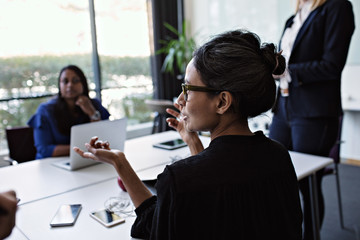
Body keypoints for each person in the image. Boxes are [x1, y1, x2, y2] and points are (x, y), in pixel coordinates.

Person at [74, 29, 303, 239]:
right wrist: (193, 143)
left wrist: (119, 162)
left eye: (187, 89)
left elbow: (153, 226)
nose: (180, 100)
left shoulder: (179, 179)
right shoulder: (278, 155)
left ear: (222, 101)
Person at [268, 0, 355, 239]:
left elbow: (332, 65)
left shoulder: (337, 7)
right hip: (283, 107)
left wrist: (287, 70)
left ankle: (311, 236)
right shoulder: (293, 18)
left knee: (307, 182)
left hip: (313, 111)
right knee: (270, 172)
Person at [28, 65, 110, 159]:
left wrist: (92, 113)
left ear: (83, 83)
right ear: (59, 85)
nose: (70, 85)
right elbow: (44, 149)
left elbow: (104, 138)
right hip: (51, 164)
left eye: (75, 81)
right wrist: (84, 149)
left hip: (85, 161)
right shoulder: (46, 110)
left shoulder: (94, 104)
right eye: (65, 81)